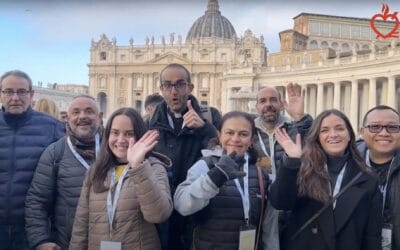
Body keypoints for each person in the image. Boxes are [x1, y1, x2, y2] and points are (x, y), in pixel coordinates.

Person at [269, 109, 382, 250]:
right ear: (317, 137)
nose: (333, 134)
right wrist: (292, 161)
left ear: (349, 135)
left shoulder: (367, 178)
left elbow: (372, 236)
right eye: (325, 130)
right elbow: (280, 202)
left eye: (340, 128)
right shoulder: (302, 168)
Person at [69, 107, 172, 250]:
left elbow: (158, 214)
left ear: (139, 136)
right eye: (115, 133)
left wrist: (138, 166)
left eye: (129, 134)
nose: (121, 140)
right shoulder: (96, 171)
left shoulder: (153, 168)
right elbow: (81, 224)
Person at [174, 111, 269, 250]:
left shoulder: (261, 169)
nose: (235, 139)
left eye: (243, 134)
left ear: (251, 139)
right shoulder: (205, 164)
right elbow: (182, 204)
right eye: (229, 133)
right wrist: (215, 177)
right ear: (219, 136)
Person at [149, 63, 217, 250]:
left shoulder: (211, 117)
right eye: (168, 85)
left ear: (190, 87)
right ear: (161, 89)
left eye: (179, 84)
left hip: (197, 211)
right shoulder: (148, 124)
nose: (174, 91)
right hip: (162, 212)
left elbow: (221, 153)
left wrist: (204, 129)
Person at [25, 95, 103, 250]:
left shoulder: (117, 149)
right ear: (67, 118)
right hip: (69, 243)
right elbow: (37, 200)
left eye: (89, 111)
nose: (82, 116)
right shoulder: (55, 153)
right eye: (76, 112)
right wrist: (41, 240)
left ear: (100, 117)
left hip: (112, 241)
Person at [0, 70, 65, 249]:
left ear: (31, 95)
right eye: (8, 92)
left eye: (21, 92)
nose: (15, 97)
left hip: (33, 228)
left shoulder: (52, 127)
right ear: (0, 94)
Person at [253, 84, 313, 250]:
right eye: (263, 101)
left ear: (281, 104)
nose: (268, 104)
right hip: (260, 203)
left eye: (273, 100)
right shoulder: (249, 131)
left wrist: (300, 117)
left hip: (290, 201)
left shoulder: (295, 127)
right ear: (257, 106)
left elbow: (313, 144)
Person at [358, 105, 400, 249]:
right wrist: (300, 120)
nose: (384, 133)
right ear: (362, 132)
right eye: (375, 127)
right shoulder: (349, 164)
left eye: (392, 127)